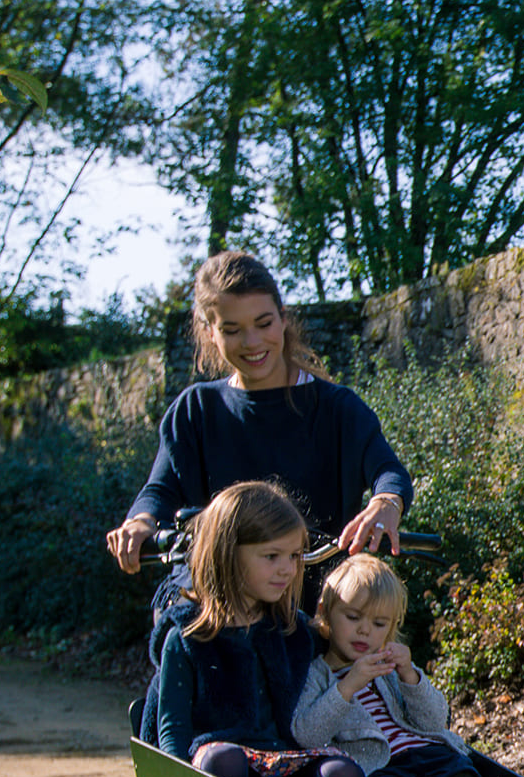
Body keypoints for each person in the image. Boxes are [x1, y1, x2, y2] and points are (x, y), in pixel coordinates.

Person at [103, 250, 412, 633]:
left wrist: (386, 504)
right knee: (176, 632)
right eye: (232, 329)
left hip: (309, 605)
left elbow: (387, 470)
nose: (252, 342)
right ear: (209, 331)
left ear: (283, 318)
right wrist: (140, 522)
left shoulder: (336, 408)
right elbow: (161, 488)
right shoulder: (197, 410)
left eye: (263, 323)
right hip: (217, 603)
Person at [146, 481, 370, 777]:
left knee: (342, 774)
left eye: (294, 556)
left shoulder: (293, 631)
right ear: (227, 554)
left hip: (283, 755)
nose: (288, 569)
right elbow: (171, 728)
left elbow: (340, 654)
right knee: (226, 761)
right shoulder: (189, 638)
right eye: (272, 556)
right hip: (218, 758)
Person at [292, 553, 488, 777]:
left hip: (432, 755)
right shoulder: (317, 673)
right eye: (353, 617)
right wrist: (347, 686)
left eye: (379, 624)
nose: (364, 631)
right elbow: (307, 735)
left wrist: (410, 676)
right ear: (326, 612)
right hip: (381, 766)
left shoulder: (390, 668)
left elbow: (435, 721)